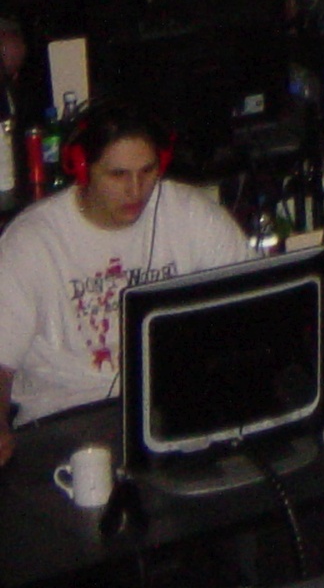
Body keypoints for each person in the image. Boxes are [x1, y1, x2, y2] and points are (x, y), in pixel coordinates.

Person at [0, 103, 251, 461]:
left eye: (147, 171)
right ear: (82, 169)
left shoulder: (192, 214)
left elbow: (252, 303)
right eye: (117, 175)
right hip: (68, 416)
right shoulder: (32, 240)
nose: (136, 190)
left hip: (172, 407)